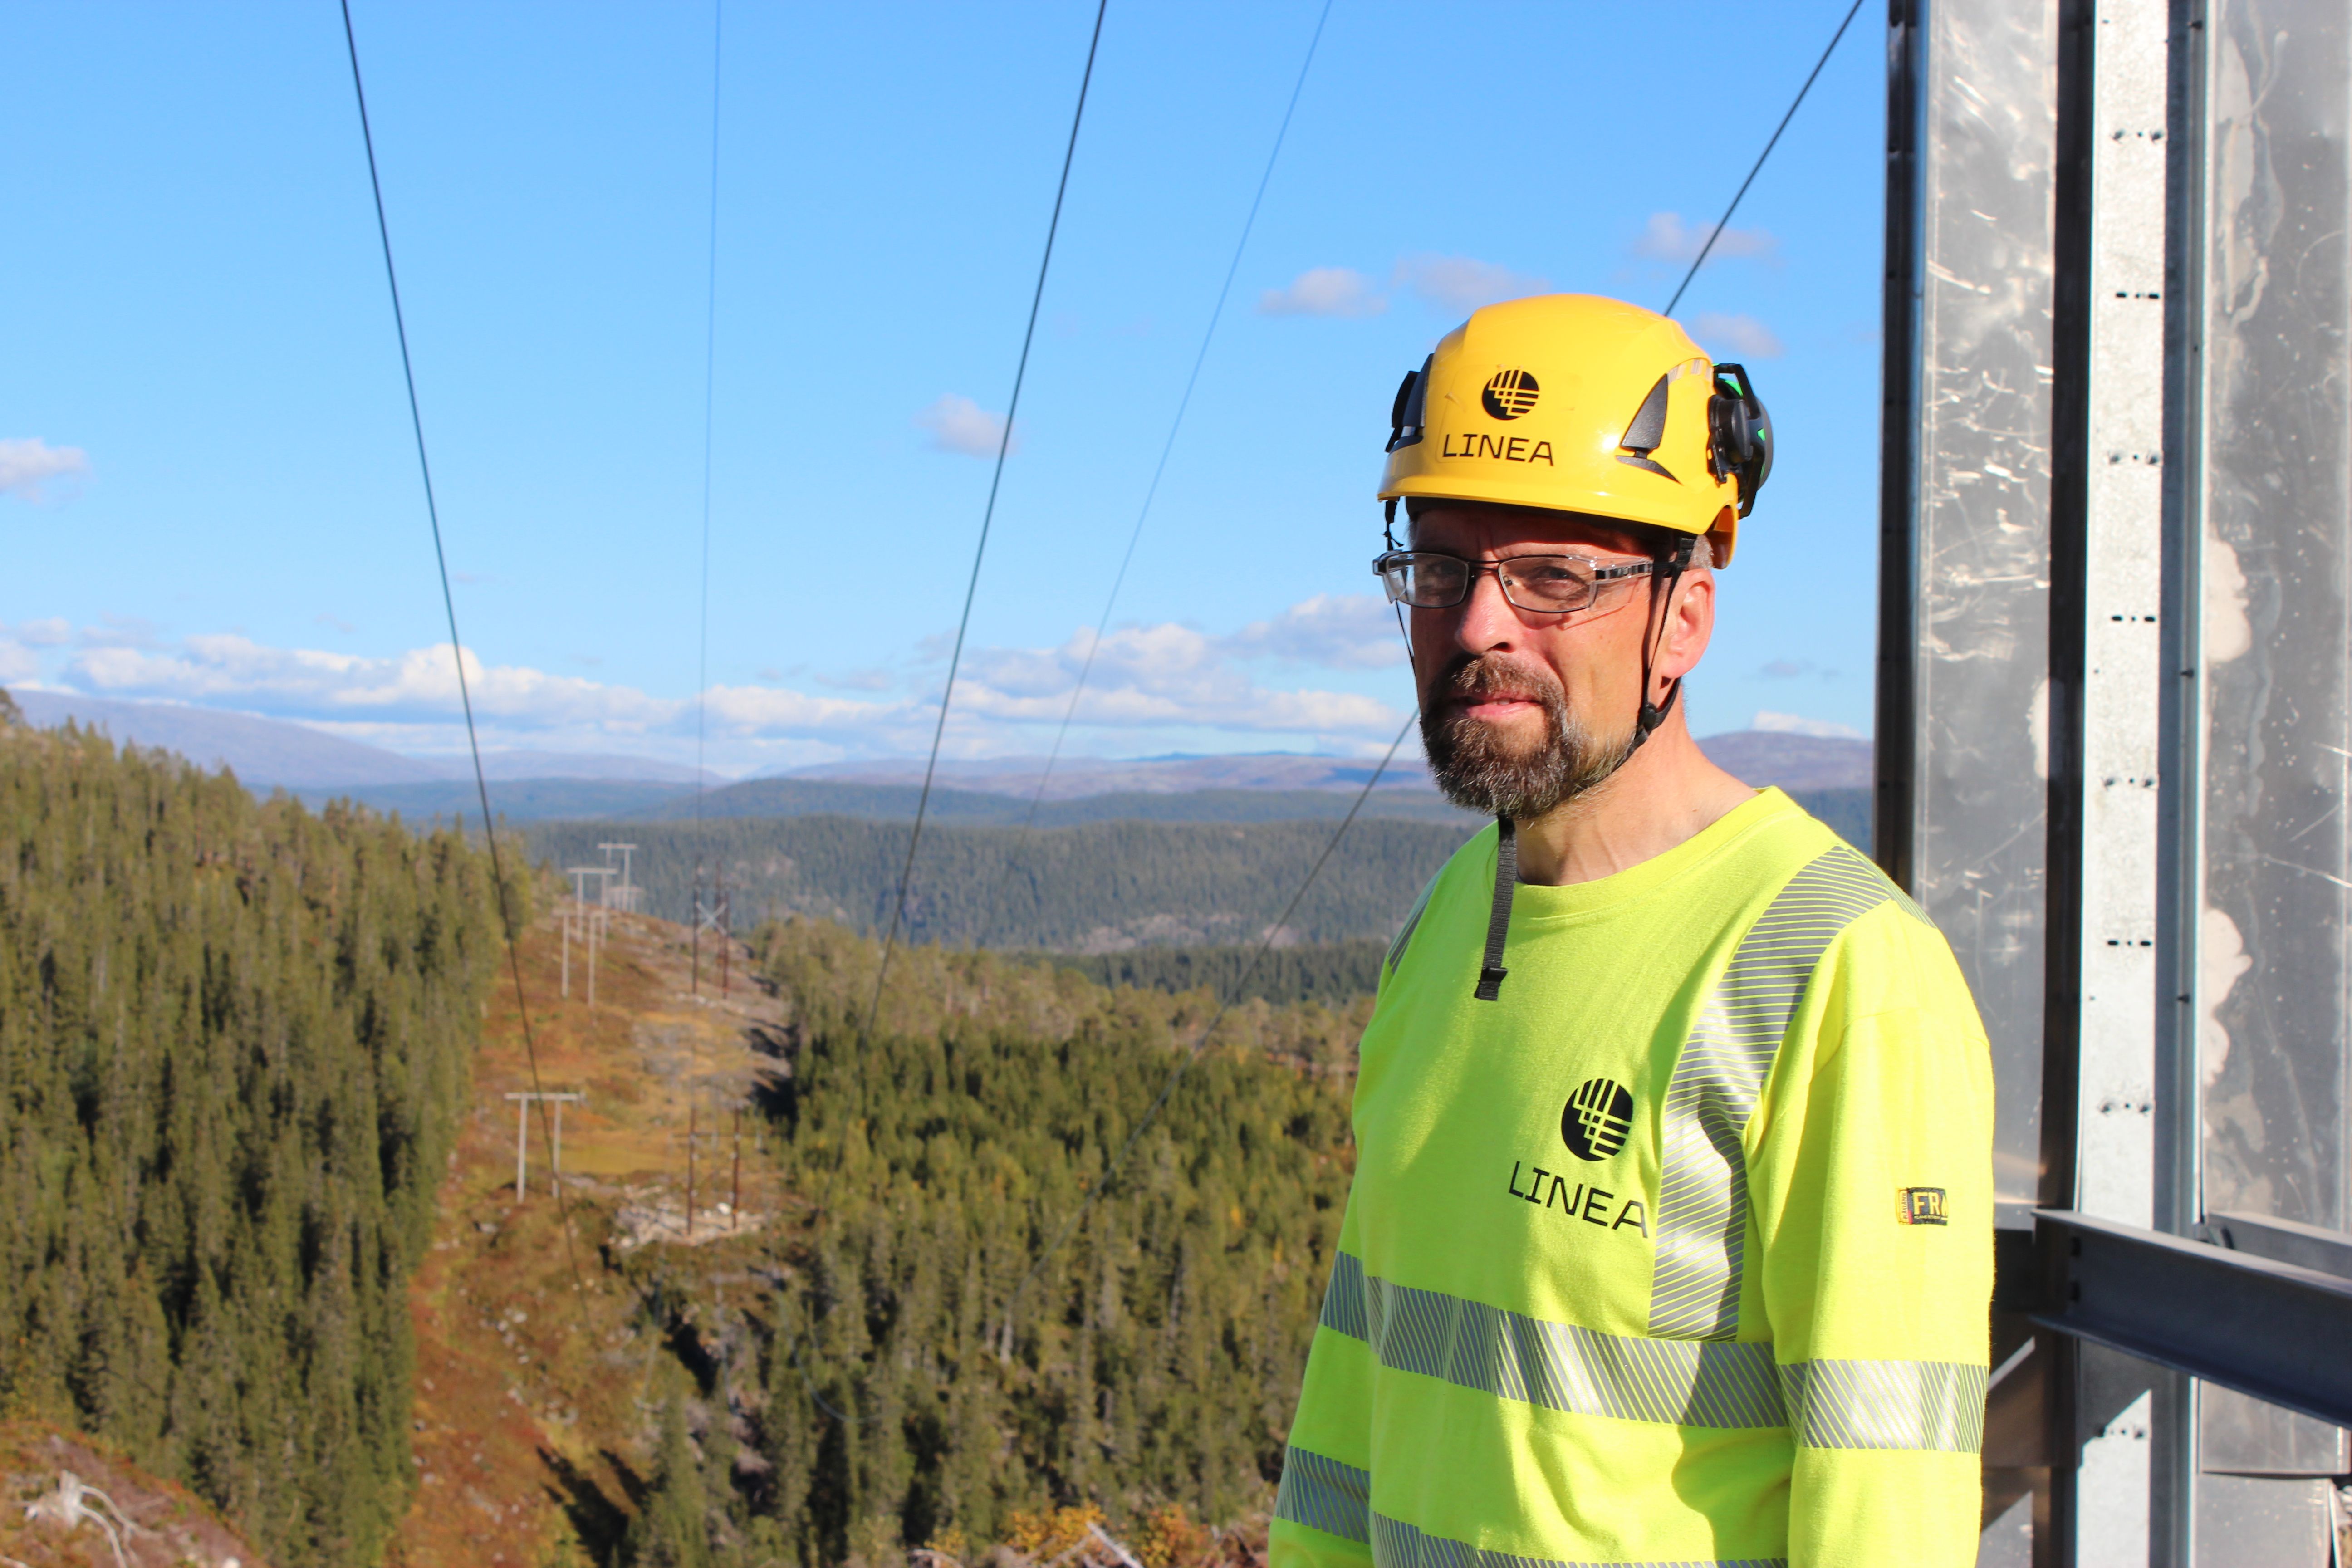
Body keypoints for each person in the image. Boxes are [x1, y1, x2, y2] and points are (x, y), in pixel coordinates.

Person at [1269, 295, 1993, 1568]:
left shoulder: (1838, 973)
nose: (1480, 626)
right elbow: (1354, 1394)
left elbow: (1888, 1507)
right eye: (1441, 569)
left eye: (1554, 578)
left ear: (1686, 618)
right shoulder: (1446, 925)